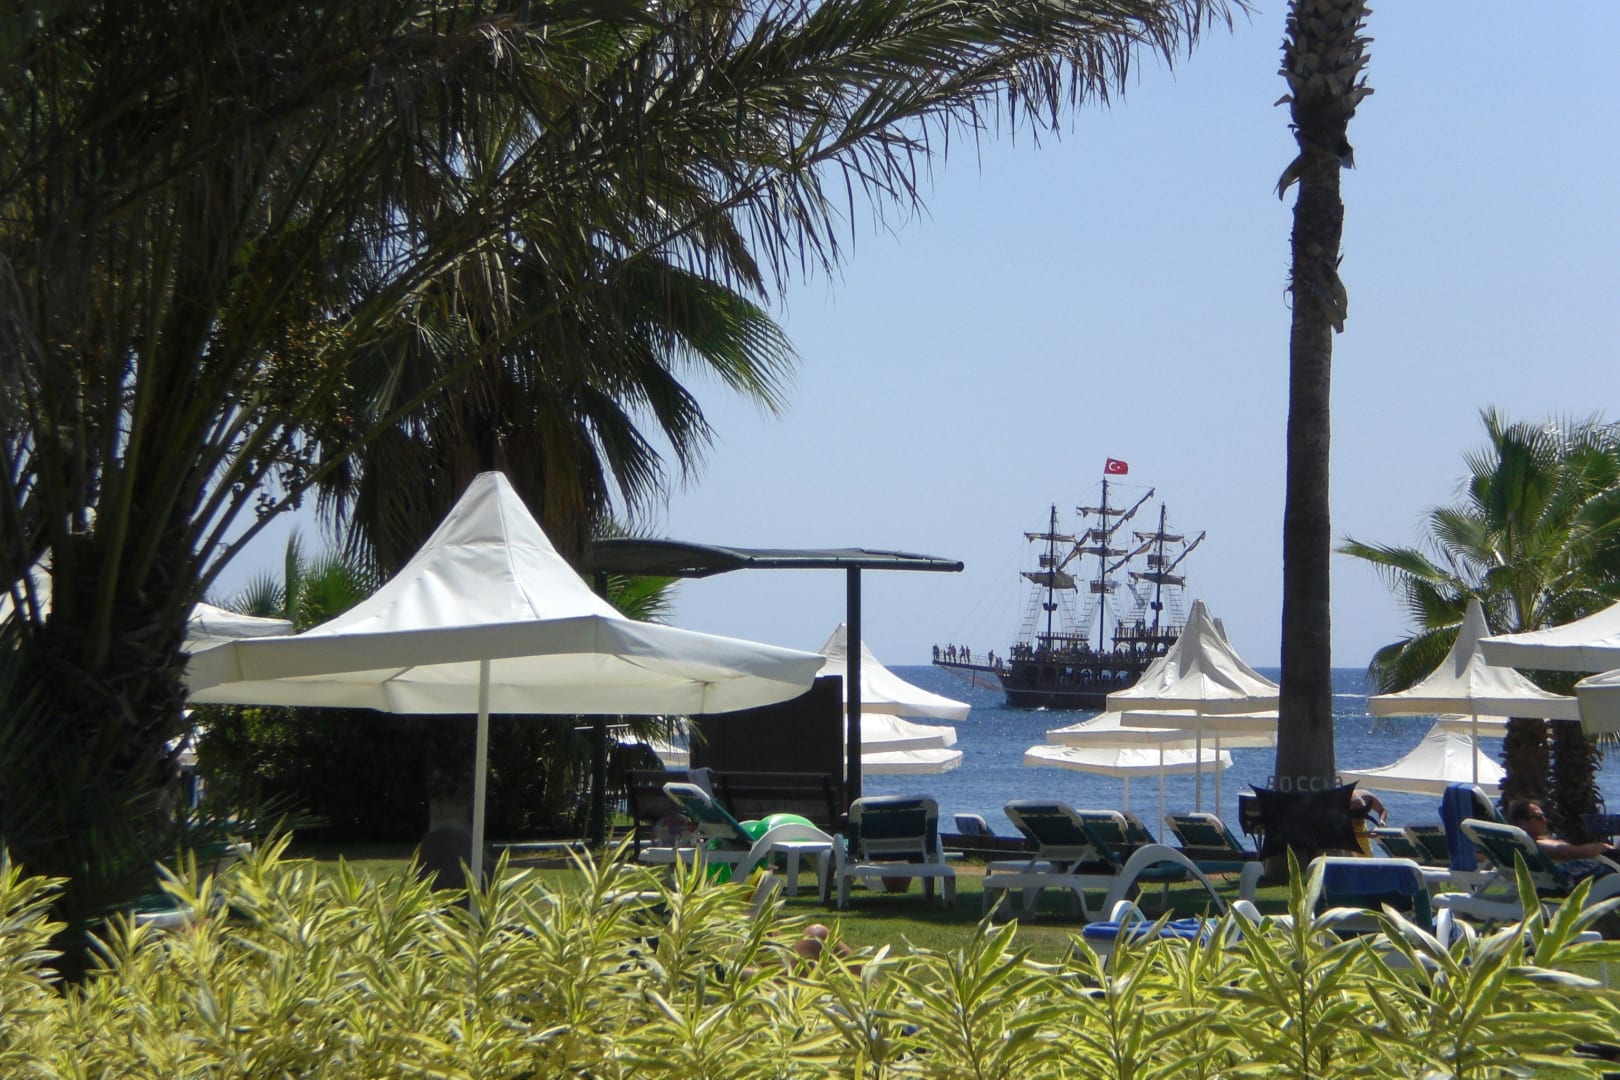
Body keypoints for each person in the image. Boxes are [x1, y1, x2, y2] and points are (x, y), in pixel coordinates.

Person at [1504, 799, 1620, 881]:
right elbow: (1580, 852)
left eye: (1543, 816)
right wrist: (1602, 846)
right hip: (1577, 878)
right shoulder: (1536, 845)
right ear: (1523, 823)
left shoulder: (1518, 843)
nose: (1544, 820)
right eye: (1538, 817)